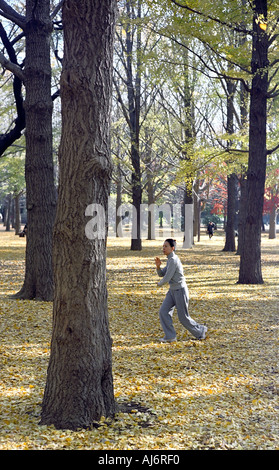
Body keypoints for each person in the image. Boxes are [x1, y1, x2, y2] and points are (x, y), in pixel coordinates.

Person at [155, 238, 207, 343]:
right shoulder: (170, 260)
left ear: (172, 248)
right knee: (163, 312)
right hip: (172, 291)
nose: (163, 248)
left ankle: (200, 331)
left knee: (183, 318)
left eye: (166, 246)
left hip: (180, 291)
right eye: (163, 246)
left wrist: (160, 284)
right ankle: (170, 336)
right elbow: (162, 274)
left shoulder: (174, 260)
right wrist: (158, 267)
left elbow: (167, 277)